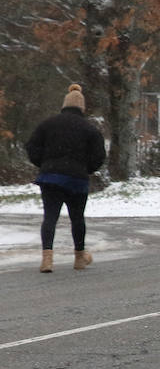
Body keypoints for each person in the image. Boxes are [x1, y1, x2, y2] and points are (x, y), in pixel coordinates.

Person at [25, 84, 107, 272]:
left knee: (50, 217)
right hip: (77, 180)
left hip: (50, 178)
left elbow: (31, 147)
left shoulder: (47, 124)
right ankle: (79, 258)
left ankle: (47, 259)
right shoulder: (89, 129)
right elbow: (99, 156)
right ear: (82, 108)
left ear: (64, 105)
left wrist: (44, 164)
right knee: (77, 218)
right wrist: (86, 168)